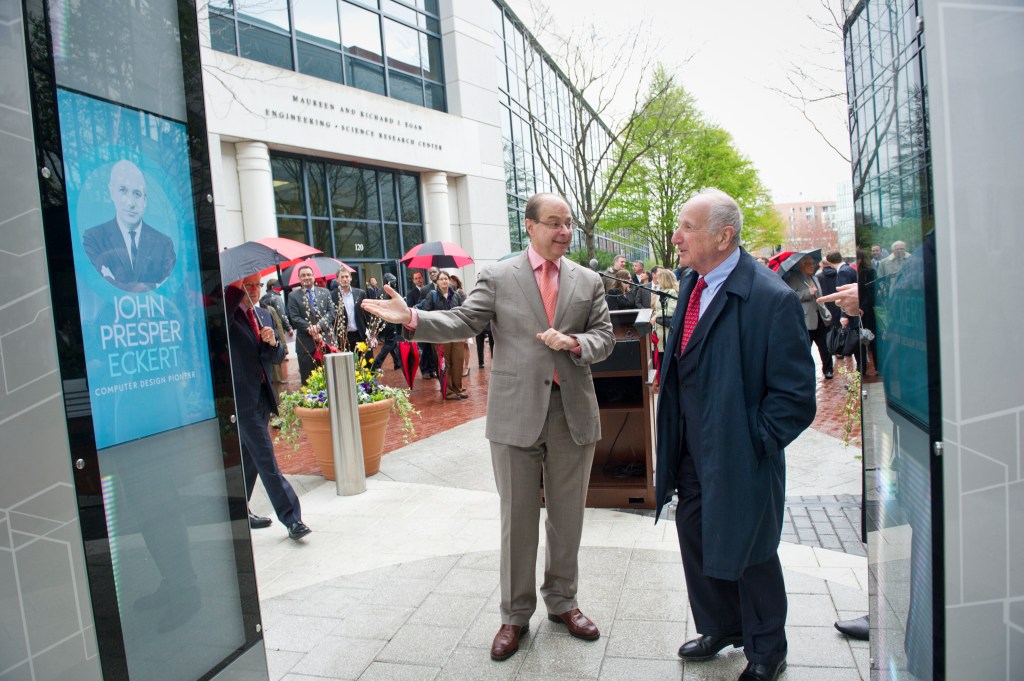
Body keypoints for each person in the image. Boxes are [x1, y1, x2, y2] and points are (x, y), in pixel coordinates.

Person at [363, 192, 614, 662]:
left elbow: (604, 337)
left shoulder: (589, 280)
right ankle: (515, 615)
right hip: (515, 414)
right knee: (517, 519)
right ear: (531, 226)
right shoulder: (498, 276)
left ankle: (563, 603)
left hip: (572, 414)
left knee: (567, 518)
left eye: (569, 224)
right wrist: (414, 318)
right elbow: (463, 320)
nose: (564, 232)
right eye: (555, 223)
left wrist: (575, 342)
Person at [654, 188, 815, 681]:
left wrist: (752, 441)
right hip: (690, 448)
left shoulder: (771, 299)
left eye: (686, 228)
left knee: (751, 549)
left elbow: (795, 399)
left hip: (740, 453)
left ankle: (767, 649)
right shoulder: (692, 283)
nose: (675, 237)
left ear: (723, 237)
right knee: (698, 535)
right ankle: (721, 625)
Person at [225, 275, 311, 540]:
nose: (253, 290)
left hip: (263, 395)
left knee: (250, 458)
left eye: (257, 285)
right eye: (247, 285)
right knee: (265, 458)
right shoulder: (229, 316)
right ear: (237, 288)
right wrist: (233, 291)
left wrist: (272, 341)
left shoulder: (263, 314)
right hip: (242, 399)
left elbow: (276, 357)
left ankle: (238, 510)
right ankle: (292, 519)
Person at [82, 159, 176, 293]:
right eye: (123, 191)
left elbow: (171, 285)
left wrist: (118, 283)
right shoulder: (94, 238)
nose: (131, 202)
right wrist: (153, 286)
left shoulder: (164, 243)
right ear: (112, 192)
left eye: (137, 193)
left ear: (145, 200)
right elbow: (98, 283)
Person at [417, 271, 468, 399]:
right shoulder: (432, 295)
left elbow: (461, 314)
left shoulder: (455, 295)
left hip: (456, 333)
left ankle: (458, 388)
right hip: (440, 335)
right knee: (446, 363)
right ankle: (448, 390)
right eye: (442, 279)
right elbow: (426, 313)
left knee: (458, 361)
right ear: (437, 282)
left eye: (446, 279)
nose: (444, 281)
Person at [785, 254, 834, 379]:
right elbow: (790, 296)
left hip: (821, 317)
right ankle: (805, 372)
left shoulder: (814, 278)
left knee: (825, 347)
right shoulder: (793, 278)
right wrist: (807, 293)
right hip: (806, 320)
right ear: (800, 266)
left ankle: (828, 370)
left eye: (813, 263)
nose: (812, 266)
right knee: (806, 348)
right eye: (808, 264)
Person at [286, 264, 336, 384]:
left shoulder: (325, 292)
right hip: (306, 345)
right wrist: (310, 329)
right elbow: (295, 318)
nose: (306, 277)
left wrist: (319, 326)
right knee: (308, 382)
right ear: (299, 278)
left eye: (309, 274)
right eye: (303, 275)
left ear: (314, 277)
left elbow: (331, 312)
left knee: (330, 379)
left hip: (326, 341)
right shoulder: (293, 296)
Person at [333, 270, 367, 351]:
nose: (345, 279)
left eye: (347, 276)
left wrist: (371, 335)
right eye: (342, 277)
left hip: (360, 334)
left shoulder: (360, 293)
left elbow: (367, 314)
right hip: (344, 338)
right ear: (337, 279)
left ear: (351, 278)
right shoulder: (332, 296)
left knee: (364, 362)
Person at [449, 274, 473, 376]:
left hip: (463, 322)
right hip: (453, 323)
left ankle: (467, 366)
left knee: (465, 344)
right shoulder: (449, 293)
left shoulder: (460, 293)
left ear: (457, 282)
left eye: (453, 281)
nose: (451, 283)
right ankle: (459, 366)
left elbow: (465, 307)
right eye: (450, 281)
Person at [652, 268, 679, 354]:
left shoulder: (671, 292)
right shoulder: (662, 292)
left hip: (666, 331)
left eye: (659, 278)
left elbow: (671, 310)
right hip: (659, 330)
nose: (657, 280)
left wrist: (656, 315)